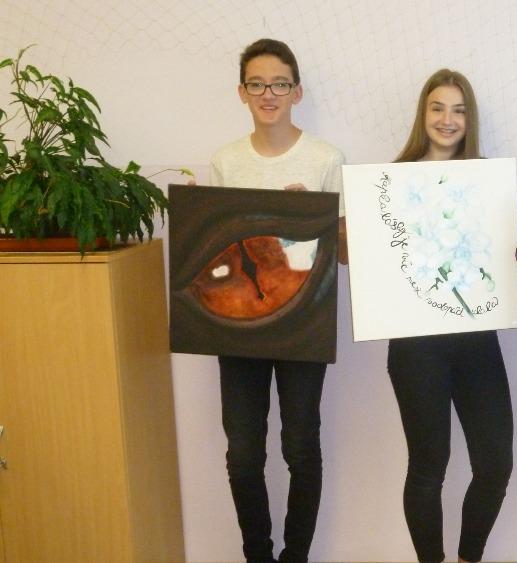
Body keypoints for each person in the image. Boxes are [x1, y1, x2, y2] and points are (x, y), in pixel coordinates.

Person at [208, 38, 346, 563]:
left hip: (302, 322)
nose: (269, 94)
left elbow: (345, 254)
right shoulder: (225, 161)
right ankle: (258, 555)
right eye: (258, 84)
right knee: (244, 455)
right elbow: (216, 254)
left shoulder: (326, 159)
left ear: (297, 92)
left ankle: (296, 556)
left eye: (280, 84)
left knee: (300, 447)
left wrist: (312, 220)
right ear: (241, 92)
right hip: (238, 324)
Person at [386, 68, 513, 563]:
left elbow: (502, 260)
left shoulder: (489, 180)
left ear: (470, 118)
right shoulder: (391, 179)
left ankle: (467, 558)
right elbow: (368, 259)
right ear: (423, 114)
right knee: (428, 467)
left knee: (495, 464)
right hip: (415, 346)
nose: (447, 119)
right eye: (438, 107)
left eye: (459, 110)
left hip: (476, 340)